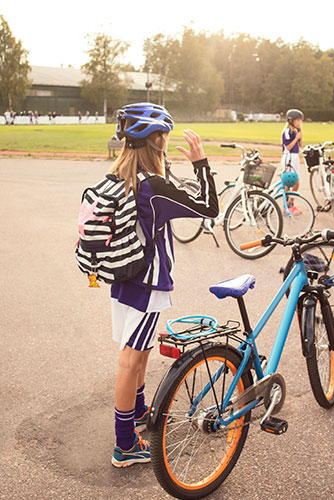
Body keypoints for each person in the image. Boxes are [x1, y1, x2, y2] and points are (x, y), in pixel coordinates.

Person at [108, 103, 218, 467]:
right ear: (154, 141)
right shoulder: (153, 188)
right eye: (165, 138)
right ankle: (125, 444)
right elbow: (208, 207)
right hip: (146, 285)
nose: (168, 144)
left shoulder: (119, 177)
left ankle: (137, 412)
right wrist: (201, 164)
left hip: (123, 278)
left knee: (138, 352)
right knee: (131, 359)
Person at [281, 108, 303, 215]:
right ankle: (286, 205)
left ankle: (291, 204)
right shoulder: (286, 132)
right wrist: (296, 138)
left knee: (296, 182)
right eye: (297, 120)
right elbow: (288, 147)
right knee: (289, 182)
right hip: (288, 157)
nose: (299, 122)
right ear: (291, 120)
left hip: (295, 157)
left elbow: (300, 145)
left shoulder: (295, 131)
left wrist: (300, 133)